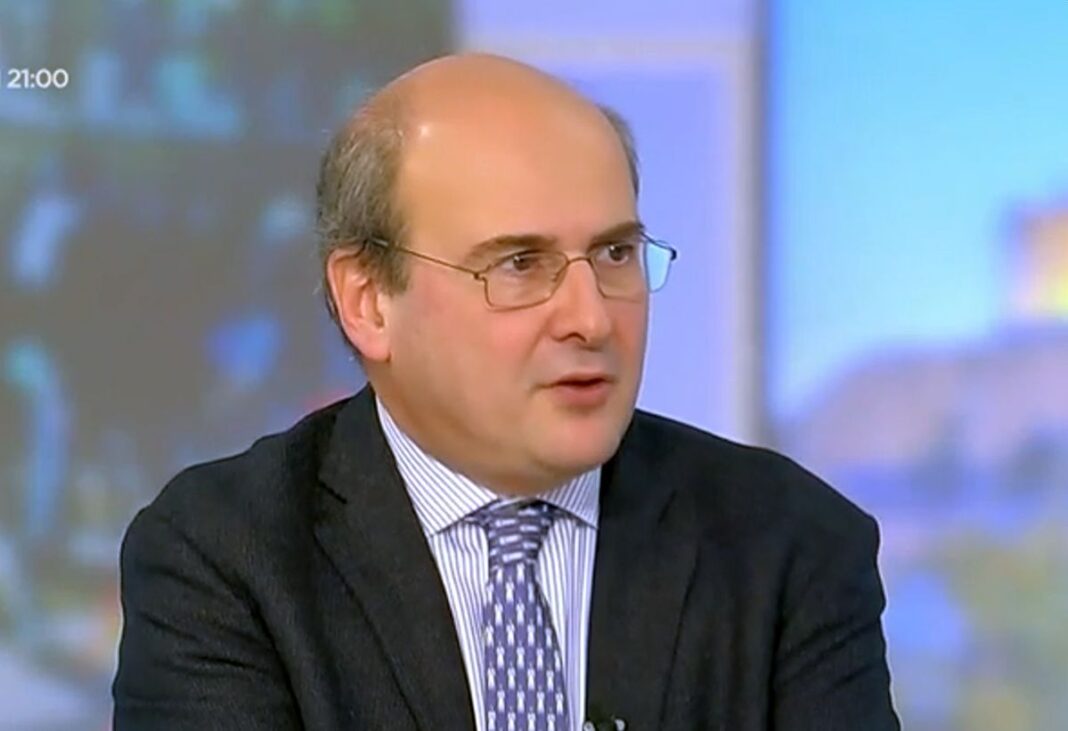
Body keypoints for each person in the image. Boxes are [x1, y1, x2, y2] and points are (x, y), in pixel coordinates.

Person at [112, 53, 900, 730]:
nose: (592, 318)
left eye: (615, 254)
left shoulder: (790, 546)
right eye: (521, 264)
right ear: (369, 301)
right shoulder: (225, 558)